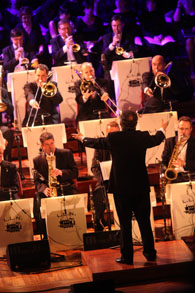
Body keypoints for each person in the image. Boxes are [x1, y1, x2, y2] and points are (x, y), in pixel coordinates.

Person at [72, 109, 168, 264]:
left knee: (125, 224)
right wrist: (163, 127)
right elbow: (157, 139)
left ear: (121, 123)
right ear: (136, 123)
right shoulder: (142, 137)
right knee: (144, 222)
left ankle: (127, 257)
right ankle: (150, 253)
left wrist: (82, 138)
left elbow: (97, 143)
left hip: (122, 189)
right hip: (140, 187)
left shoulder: (114, 138)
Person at [33, 131, 79, 238]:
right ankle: (45, 235)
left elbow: (75, 172)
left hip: (66, 188)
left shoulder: (66, 153)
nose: (51, 147)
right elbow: (37, 181)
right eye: (47, 145)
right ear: (42, 146)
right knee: (37, 201)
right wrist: (44, 189)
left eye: (52, 143)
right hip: (49, 191)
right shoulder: (37, 160)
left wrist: (61, 172)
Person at [91, 120, 120, 232]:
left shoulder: (125, 145)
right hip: (105, 182)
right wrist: (104, 180)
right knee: (98, 193)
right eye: (110, 134)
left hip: (122, 181)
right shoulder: (100, 147)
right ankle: (99, 222)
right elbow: (94, 167)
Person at [74, 62, 111, 128]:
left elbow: (104, 90)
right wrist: (85, 97)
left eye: (91, 71)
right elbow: (78, 100)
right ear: (82, 75)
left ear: (94, 70)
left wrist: (105, 94)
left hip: (100, 111)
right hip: (85, 113)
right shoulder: (78, 84)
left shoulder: (102, 81)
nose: (90, 74)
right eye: (86, 72)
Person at [162, 116, 195, 182]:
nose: (183, 132)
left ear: (191, 129)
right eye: (181, 128)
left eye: (186, 129)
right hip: (173, 177)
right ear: (177, 128)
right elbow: (164, 161)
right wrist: (165, 173)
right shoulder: (169, 142)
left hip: (190, 176)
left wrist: (184, 163)